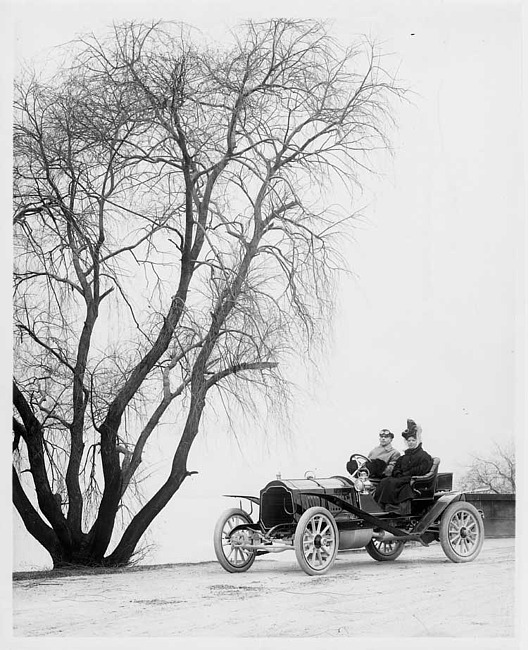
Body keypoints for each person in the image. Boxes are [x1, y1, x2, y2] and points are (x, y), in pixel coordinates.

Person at [373, 419, 433, 511]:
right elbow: (397, 467)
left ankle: (393, 508)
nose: (411, 442)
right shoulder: (404, 456)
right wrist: (398, 473)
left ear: (417, 441)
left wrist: (407, 474)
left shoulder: (424, 456)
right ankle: (380, 506)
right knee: (385, 481)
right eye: (409, 441)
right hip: (402, 478)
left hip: (413, 479)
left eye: (413, 440)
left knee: (391, 482)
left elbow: (422, 469)